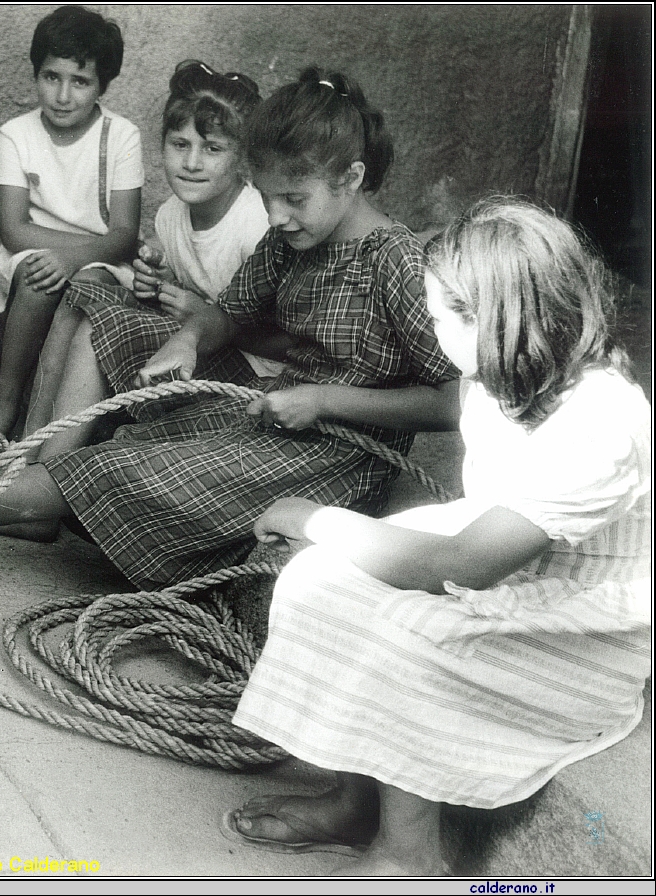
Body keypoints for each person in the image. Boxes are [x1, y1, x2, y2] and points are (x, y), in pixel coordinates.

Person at [0, 67, 460, 592]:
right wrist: (191, 337)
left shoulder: (397, 263)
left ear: (352, 178)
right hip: (276, 415)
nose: (278, 216)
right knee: (98, 301)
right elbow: (229, 313)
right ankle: (16, 503)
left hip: (337, 458)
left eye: (294, 199)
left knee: (116, 468)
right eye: (270, 198)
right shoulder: (292, 240)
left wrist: (325, 401)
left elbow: (454, 402)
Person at [228, 197, 651, 876]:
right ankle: (353, 800)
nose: (429, 329)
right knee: (318, 579)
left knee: (410, 625)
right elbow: (453, 414)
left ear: (490, 318)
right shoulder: (503, 367)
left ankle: (408, 856)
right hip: (513, 562)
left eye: (435, 315)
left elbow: (460, 565)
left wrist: (316, 517)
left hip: (582, 623)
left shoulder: (600, 421)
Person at [20, 59, 280, 461]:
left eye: (213, 149)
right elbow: (188, 284)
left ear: (242, 158)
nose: (192, 163)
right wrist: (158, 281)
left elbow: (287, 341)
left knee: (104, 322)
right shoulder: (171, 214)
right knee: (84, 291)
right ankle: (27, 447)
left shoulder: (255, 225)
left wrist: (198, 311)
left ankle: (44, 471)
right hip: (197, 344)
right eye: (180, 145)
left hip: (254, 375)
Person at [0, 5, 143, 450]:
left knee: (84, 282)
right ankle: (5, 405)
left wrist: (75, 255)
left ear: (102, 85)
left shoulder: (121, 136)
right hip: (31, 253)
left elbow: (124, 235)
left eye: (80, 81)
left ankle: (47, 426)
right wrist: (65, 254)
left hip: (103, 262)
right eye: (52, 77)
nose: (63, 95)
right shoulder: (17, 133)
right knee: (36, 273)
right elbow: (13, 228)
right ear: (36, 74)